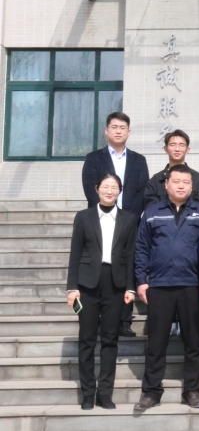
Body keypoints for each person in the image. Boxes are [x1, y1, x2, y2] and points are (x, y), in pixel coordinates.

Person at [133, 164, 199, 411]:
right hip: (160, 284)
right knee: (156, 342)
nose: (181, 186)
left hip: (192, 285)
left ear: (192, 185)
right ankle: (151, 392)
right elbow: (141, 248)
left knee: (193, 342)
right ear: (166, 184)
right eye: (176, 181)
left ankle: (193, 391)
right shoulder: (152, 212)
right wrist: (141, 280)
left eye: (186, 182)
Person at [66, 173, 137, 410]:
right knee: (86, 339)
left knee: (110, 339)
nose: (109, 191)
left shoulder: (129, 219)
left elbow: (131, 255)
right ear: (97, 189)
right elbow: (75, 253)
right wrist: (72, 288)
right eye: (105, 186)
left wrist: (130, 287)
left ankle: (105, 393)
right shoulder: (83, 217)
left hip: (115, 284)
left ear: (120, 191)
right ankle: (88, 393)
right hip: (87, 284)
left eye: (114, 187)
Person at [81, 112, 149, 338]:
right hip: (100, 221)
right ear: (106, 131)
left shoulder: (139, 160)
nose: (118, 131)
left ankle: (124, 321)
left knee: (126, 267)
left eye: (122, 127)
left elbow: (142, 191)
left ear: (129, 132)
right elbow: (90, 189)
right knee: (102, 268)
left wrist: (130, 218)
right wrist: (102, 214)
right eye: (114, 127)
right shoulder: (94, 158)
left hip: (129, 223)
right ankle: (100, 317)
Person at [144, 129, 199, 207]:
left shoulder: (198, 178)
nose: (177, 149)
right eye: (172, 145)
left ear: (187, 150)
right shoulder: (155, 180)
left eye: (182, 145)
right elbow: (150, 208)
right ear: (166, 149)